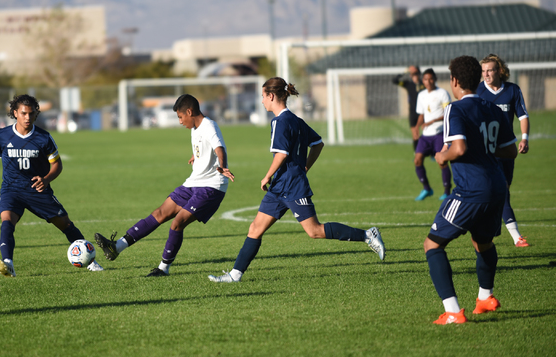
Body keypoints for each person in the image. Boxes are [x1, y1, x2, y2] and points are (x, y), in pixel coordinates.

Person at [208, 77, 385, 283]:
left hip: (292, 186)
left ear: (271, 96)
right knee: (255, 228)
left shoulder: (281, 121)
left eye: (263, 96)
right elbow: (318, 144)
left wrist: (267, 176)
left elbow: (281, 154)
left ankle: (368, 235)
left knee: (315, 231)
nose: (263, 100)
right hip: (279, 187)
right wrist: (305, 166)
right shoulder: (295, 120)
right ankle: (235, 275)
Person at [94, 94, 235, 277]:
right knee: (159, 213)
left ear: (190, 112)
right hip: (194, 182)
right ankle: (117, 247)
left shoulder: (209, 126)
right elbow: (205, 148)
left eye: (180, 116)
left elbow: (219, 148)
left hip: (211, 186)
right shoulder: (195, 128)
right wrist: (197, 157)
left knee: (177, 223)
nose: (179, 121)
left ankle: (163, 269)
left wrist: (222, 166)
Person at [425, 55, 517, 325]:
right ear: (478, 79)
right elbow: (510, 150)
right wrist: (485, 150)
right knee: (483, 242)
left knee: (432, 244)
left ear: (454, 81)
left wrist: (443, 156)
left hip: (471, 190)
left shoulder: (455, 109)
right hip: (497, 186)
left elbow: (459, 149)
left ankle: (453, 311)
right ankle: (485, 298)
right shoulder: (493, 109)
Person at [0, 94, 104, 277]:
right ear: (15, 113)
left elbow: (57, 165)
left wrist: (46, 179)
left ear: (36, 114)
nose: (28, 117)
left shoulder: (44, 138)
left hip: (38, 190)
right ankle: (8, 263)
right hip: (11, 189)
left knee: (65, 224)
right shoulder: (2, 135)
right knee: (7, 222)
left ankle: (90, 261)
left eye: (31, 113)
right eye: (24, 113)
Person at [477, 54, 530, 247]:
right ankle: (517, 237)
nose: (486, 74)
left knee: (503, 191)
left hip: (506, 151)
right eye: (483, 71)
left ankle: (486, 228)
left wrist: (525, 138)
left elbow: (523, 116)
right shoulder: (478, 91)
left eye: (489, 70)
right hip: (486, 152)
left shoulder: (512, 90)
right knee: (500, 193)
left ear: (499, 70)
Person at [413, 68, 452, 201]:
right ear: (422, 81)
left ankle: (447, 191)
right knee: (417, 160)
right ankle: (427, 189)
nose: (428, 81)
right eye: (425, 79)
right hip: (426, 135)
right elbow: (422, 114)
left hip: (439, 133)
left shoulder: (443, 93)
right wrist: (417, 126)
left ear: (435, 79)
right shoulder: (421, 95)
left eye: (430, 79)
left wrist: (433, 121)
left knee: (442, 162)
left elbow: (448, 114)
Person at [393, 65, 425, 151]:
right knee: (415, 135)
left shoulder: (424, 84)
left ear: (419, 74)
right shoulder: (408, 84)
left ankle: (432, 153)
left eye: (416, 73)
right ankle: (417, 153)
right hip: (413, 113)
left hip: (423, 113)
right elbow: (395, 81)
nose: (414, 76)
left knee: (428, 133)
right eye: (412, 74)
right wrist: (405, 72)